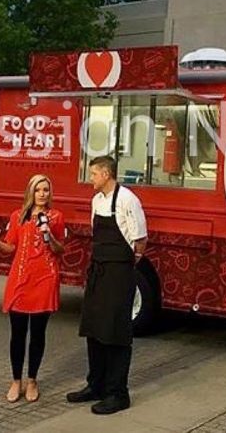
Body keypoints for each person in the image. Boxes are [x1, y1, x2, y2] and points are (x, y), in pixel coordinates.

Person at [66, 155, 148, 415]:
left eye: (93, 174)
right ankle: (96, 385)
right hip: (98, 271)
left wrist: (126, 264)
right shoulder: (96, 200)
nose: (90, 178)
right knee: (94, 329)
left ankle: (118, 393)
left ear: (106, 174)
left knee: (115, 332)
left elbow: (140, 239)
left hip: (119, 273)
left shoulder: (127, 199)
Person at [0, 174, 65, 403]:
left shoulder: (56, 217)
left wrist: (49, 235)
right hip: (20, 279)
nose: (42, 194)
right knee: (17, 334)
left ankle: (32, 380)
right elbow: (10, 248)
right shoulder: (17, 216)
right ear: (30, 192)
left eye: (46, 190)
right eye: (38, 189)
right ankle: (16, 380)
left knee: (38, 334)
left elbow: (60, 249)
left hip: (45, 278)